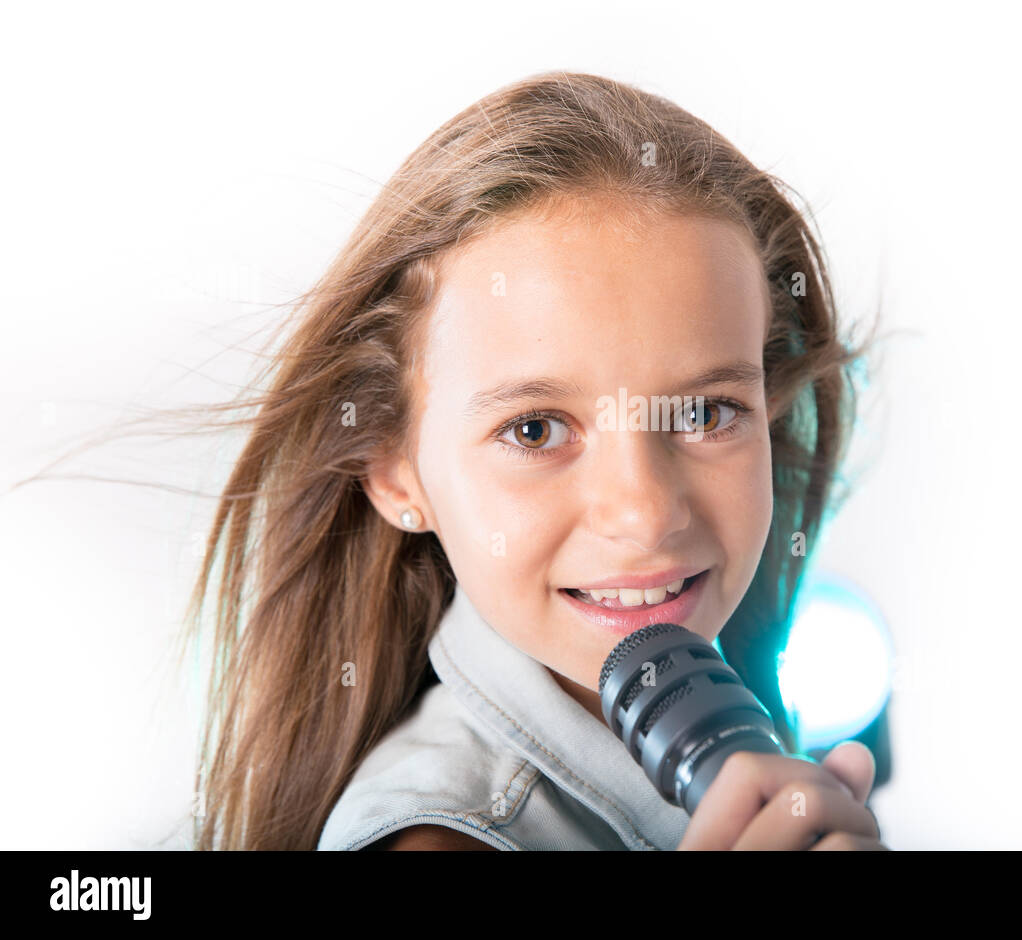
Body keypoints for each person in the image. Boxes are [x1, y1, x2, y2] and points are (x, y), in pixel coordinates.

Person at [182, 70, 882, 850]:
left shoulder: (749, 739)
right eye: (537, 431)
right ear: (392, 470)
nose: (644, 512)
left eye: (706, 412)